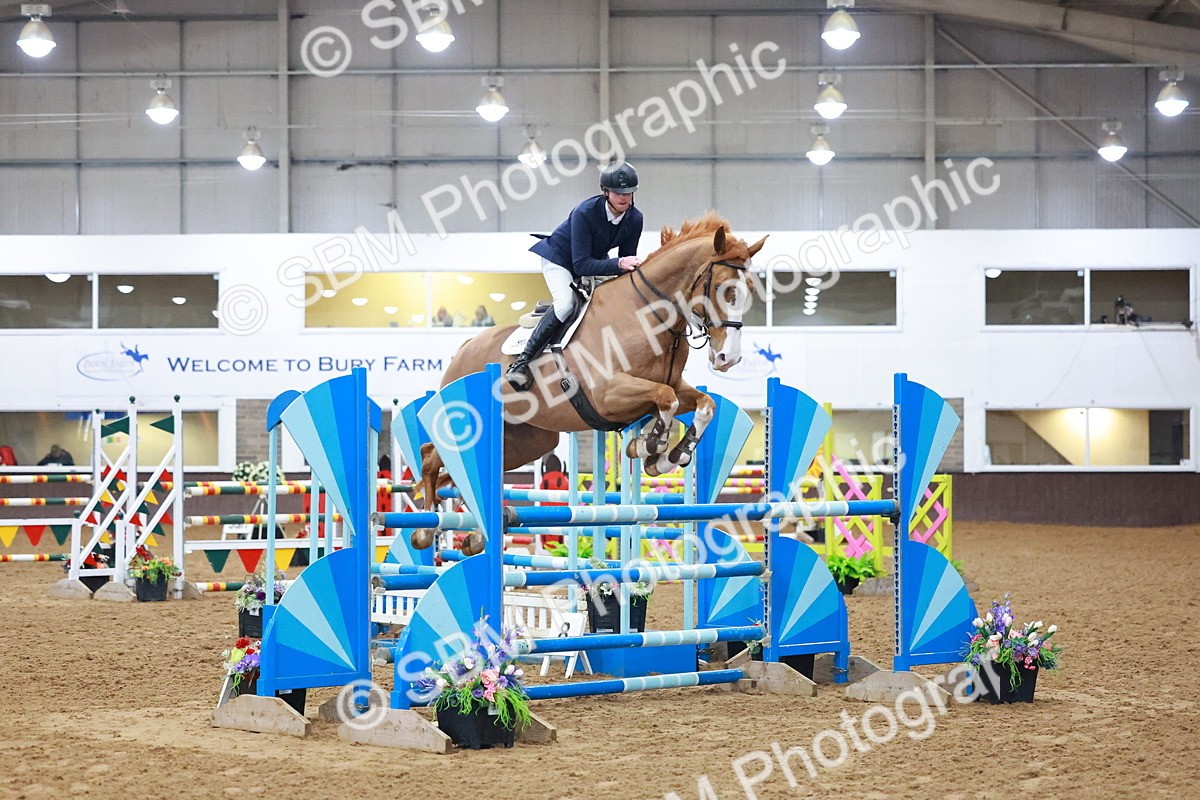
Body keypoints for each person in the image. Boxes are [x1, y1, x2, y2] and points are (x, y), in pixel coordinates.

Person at [504, 161, 645, 391]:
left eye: (629, 192)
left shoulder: (635, 219)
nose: (624, 198)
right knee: (566, 304)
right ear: (606, 192)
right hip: (560, 259)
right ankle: (522, 362)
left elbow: (625, 263)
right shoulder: (585, 212)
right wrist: (619, 263)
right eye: (619, 192)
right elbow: (581, 266)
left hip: (591, 262)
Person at [538, 454, 569, 548]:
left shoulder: (545, 480)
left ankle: (546, 544)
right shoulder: (562, 479)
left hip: (546, 515)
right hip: (562, 515)